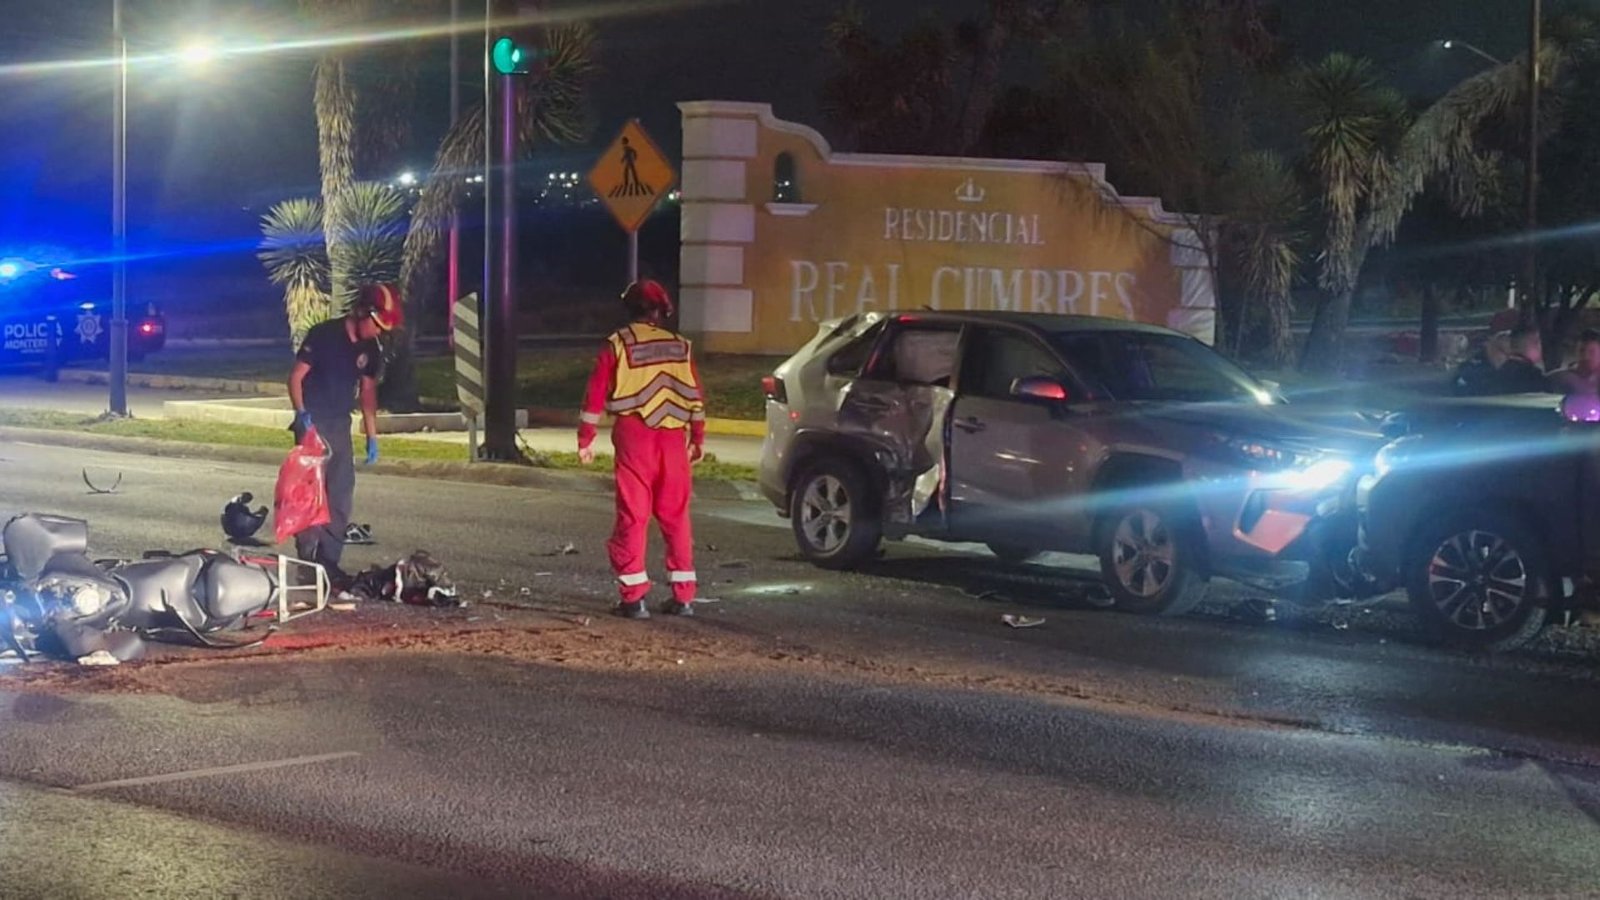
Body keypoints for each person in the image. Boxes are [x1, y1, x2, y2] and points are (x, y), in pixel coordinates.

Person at [577, 280, 706, 619]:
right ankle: (684, 597)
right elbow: (695, 395)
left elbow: (595, 393)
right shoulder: (681, 346)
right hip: (674, 439)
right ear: (662, 311)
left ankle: (634, 599)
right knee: (676, 516)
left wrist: (586, 438)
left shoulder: (616, 344)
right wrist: (698, 436)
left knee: (634, 515)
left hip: (635, 436)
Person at [286, 284, 403, 579]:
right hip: (314, 423)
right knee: (310, 495)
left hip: (339, 424)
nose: (378, 332)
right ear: (362, 312)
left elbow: (367, 392)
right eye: (376, 324)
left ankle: (329, 561)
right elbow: (296, 378)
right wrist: (302, 415)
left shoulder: (370, 349)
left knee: (339, 494)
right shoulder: (324, 335)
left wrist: (372, 436)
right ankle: (308, 561)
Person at [1551, 329, 1600, 396]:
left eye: (1592, 352)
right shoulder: (1560, 378)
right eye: (1581, 350)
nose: (1585, 356)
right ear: (1575, 351)